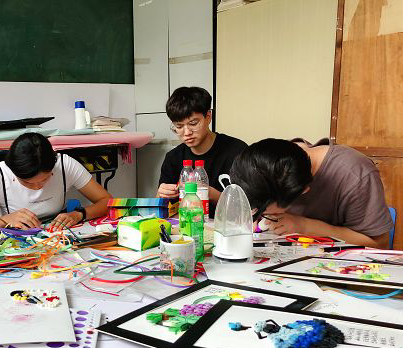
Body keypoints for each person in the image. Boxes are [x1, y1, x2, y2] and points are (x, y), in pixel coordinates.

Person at [230, 138, 392, 248]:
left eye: (270, 213)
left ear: (303, 191)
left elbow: (379, 243)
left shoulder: (355, 175)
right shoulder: (270, 160)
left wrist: (305, 226)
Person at [0, 132, 111, 231]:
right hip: (16, 242)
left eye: (45, 179)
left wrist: (79, 214)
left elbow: (108, 202)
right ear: (13, 171)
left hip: (58, 237)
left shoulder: (64, 165)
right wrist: (4, 221)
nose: (38, 187)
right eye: (27, 183)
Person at [157, 86, 247, 215]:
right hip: (187, 224)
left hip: (228, 225)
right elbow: (160, 208)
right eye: (179, 126)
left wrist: (211, 194)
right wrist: (162, 195)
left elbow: (250, 208)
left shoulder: (237, 152)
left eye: (193, 123)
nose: (187, 132)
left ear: (208, 117)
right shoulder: (173, 157)